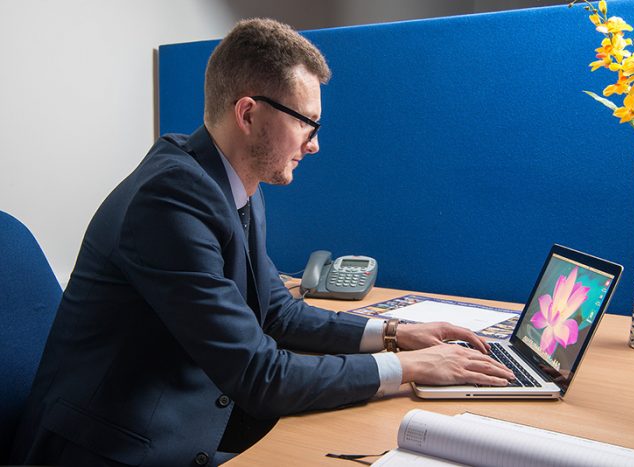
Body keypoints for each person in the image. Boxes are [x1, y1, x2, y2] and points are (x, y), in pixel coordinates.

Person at [11, 18, 513, 467]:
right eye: (306, 122)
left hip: (184, 422)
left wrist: (396, 334)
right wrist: (409, 367)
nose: (314, 144)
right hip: (115, 448)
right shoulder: (168, 201)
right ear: (248, 114)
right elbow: (258, 374)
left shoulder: (229, 181)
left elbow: (278, 314)